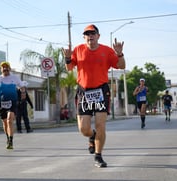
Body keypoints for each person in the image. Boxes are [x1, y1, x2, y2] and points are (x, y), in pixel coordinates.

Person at [62, 24, 125, 168]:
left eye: (93, 33)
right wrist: (67, 58)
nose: (90, 36)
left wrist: (120, 54)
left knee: (100, 125)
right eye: (87, 34)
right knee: (84, 129)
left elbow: (121, 66)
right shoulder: (78, 50)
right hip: (84, 92)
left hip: (101, 92)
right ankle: (92, 136)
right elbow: (69, 67)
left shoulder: (107, 51)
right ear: (84, 37)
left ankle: (98, 156)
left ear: (98, 36)